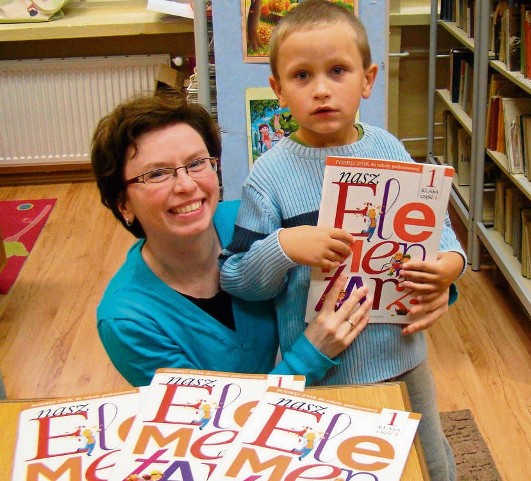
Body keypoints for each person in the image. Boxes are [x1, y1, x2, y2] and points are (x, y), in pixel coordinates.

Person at [218, 2, 466, 479]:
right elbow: (236, 276)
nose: (323, 90)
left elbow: (443, 236)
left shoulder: (388, 149)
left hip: (402, 356)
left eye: (338, 71)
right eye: (302, 76)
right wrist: (284, 246)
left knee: (429, 464)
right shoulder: (268, 176)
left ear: (367, 80)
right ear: (278, 91)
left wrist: (449, 268)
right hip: (325, 371)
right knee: (336, 467)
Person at [90, 93, 372, 388]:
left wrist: (417, 292)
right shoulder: (128, 320)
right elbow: (204, 420)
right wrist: (311, 354)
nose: (187, 185)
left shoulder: (249, 220)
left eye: (197, 163)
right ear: (122, 203)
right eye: (158, 174)